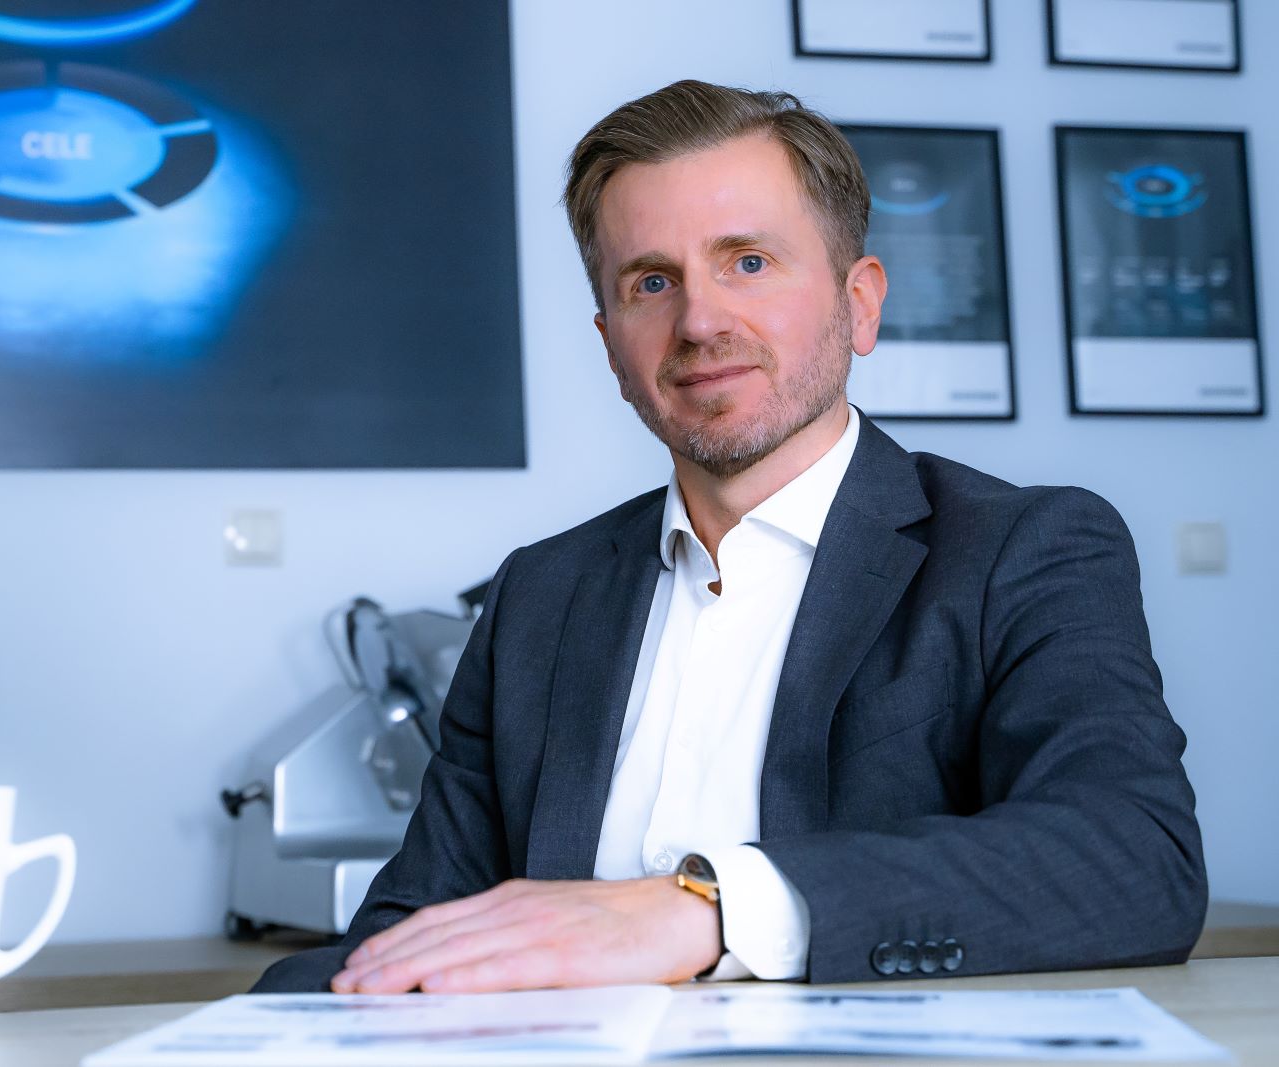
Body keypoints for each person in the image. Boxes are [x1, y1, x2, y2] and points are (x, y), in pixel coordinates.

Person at [253, 80, 1206, 993]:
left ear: (860, 302)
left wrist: (703, 911)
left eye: (748, 261)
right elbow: (410, 931)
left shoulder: (1023, 550)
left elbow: (1133, 858)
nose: (700, 321)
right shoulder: (537, 597)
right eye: (651, 281)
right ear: (610, 342)